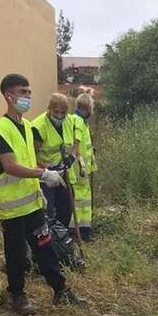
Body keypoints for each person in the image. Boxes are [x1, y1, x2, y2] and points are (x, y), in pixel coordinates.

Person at [0, 74, 86, 314]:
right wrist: (43, 175)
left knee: (45, 245)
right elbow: (10, 165)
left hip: (31, 203)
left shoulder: (28, 127)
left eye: (29, 92)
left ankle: (60, 290)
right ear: (8, 95)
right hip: (11, 207)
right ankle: (17, 296)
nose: (28, 97)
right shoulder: (1, 130)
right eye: (23, 92)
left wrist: (45, 174)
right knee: (16, 254)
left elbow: (31, 160)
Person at [31, 93, 78, 228]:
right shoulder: (38, 127)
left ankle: (61, 238)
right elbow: (31, 155)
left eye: (63, 113)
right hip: (46, 176)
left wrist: (72, 157)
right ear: (49, 109)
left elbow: (76, 142)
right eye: (56, 112)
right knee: (48, 211)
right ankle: (48, 241)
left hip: (63, 173)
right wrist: (46, 171)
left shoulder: (69, 121)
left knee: (67, 207)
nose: (59, 116)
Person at [70, 92, 97, 241]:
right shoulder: (78, 121)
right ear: (88, 107)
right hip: (78, 169)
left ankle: (84, 231)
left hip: (82, 169)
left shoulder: (80, 121)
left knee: (83, 200)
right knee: (79, 200)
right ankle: (77, 233)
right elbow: (76, 145)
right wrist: (81, 166)